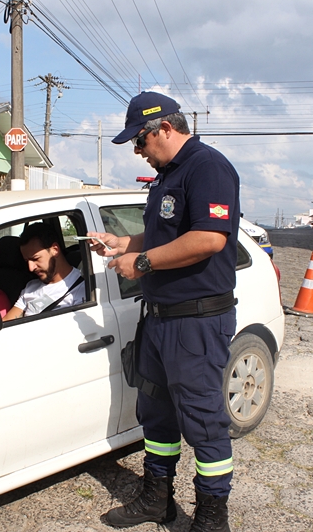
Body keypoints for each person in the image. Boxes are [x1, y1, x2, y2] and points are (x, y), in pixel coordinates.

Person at [89, 92, 240, 532]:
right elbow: (163, 233)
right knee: (155, 413)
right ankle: (158, 498)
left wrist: (140, 263)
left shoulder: (207, 167)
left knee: (203, 419)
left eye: (139, 142)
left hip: (195, 320)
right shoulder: (167, 175)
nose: (139, 152)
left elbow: (209, 238)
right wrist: (123, 243)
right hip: (158, 317)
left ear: (164, 129)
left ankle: (212, 516)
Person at [3, 223, 85, 321]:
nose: (31, 268)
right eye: (26, 261)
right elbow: (6, 324)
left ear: (55, 250)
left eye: (35, 259)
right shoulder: (30, 287)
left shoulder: (82, 289)